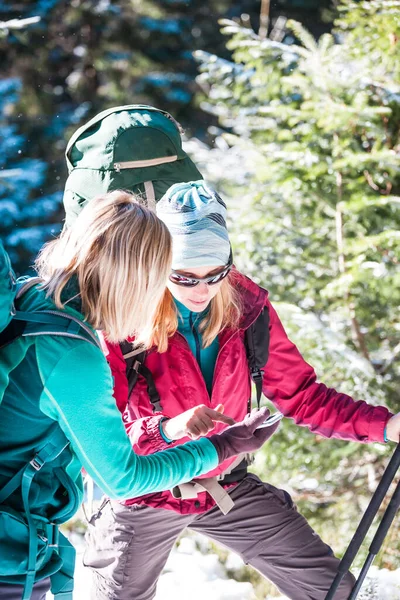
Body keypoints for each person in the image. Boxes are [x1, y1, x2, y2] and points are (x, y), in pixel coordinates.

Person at [85, 181, 400, 600]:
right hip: (147, 492)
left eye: (215, 274)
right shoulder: (123, 321)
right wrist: (168, 429)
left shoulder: (248, 313)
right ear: (160, 266)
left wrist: (388, 426)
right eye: (184, 276)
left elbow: (304, 396)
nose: (202, 290)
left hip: (224, 486)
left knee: (335, 591)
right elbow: (101, 440)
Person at [0, 190, 277, 600]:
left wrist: (166, 432)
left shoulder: (32, 298)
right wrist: (221, 447)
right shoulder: (71, 354)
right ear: (137, 276)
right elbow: (124, 480)